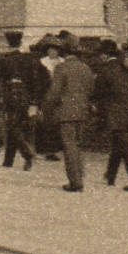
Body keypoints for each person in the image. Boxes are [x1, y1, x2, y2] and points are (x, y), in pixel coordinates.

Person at [43, 36, 96, 192]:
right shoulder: (86, 68)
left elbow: (54, 93)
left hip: (66, 112)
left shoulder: (61, 68)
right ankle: (80, 175)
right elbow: (91, 89)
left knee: (69, 145)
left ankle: (75, 181)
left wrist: (46, 108)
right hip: (83, 111)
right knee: (79, 145)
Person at [94, 41, 128, 191]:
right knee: (118, 144)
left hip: (114, 112)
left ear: (104, 55)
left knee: (124, 145)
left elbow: (99, 93)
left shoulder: (105, 70)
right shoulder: (127, 68)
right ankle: (110, 175)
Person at [0, 31, 38, 170]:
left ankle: (27, 153)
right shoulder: (29, 59)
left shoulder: (4, 60)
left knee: (12, 126)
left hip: (10, 96)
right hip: (25, 96)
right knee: (17, 125)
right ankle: (9, 160)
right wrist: (33, 100)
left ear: (8, 44)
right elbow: (34, 80)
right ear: (20, 43)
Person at [35, 36, 68, 160]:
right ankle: (47, 150)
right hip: (46, 95)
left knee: (57, 123)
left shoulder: (62, 62)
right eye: (50, 50)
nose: (52, 52)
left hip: (60, 96)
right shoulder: (42, 62)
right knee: (46, 123)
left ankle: (56, 148)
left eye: (55, 50)